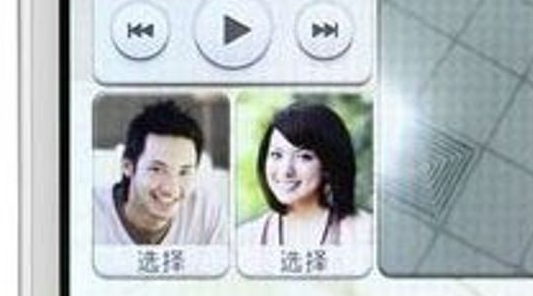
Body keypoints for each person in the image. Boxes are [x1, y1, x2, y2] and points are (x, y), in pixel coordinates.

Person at [92, 99, 225, 247]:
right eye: (157, 169)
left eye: (184, 172)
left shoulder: (206, 212)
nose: (170, 189)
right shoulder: (89, 215)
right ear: (127, 166)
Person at [239, 101, 373, 248]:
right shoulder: (245, 239)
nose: (286, 171)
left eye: (304, 156)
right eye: (277, 155)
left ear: (328, 165)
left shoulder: (366, 234)